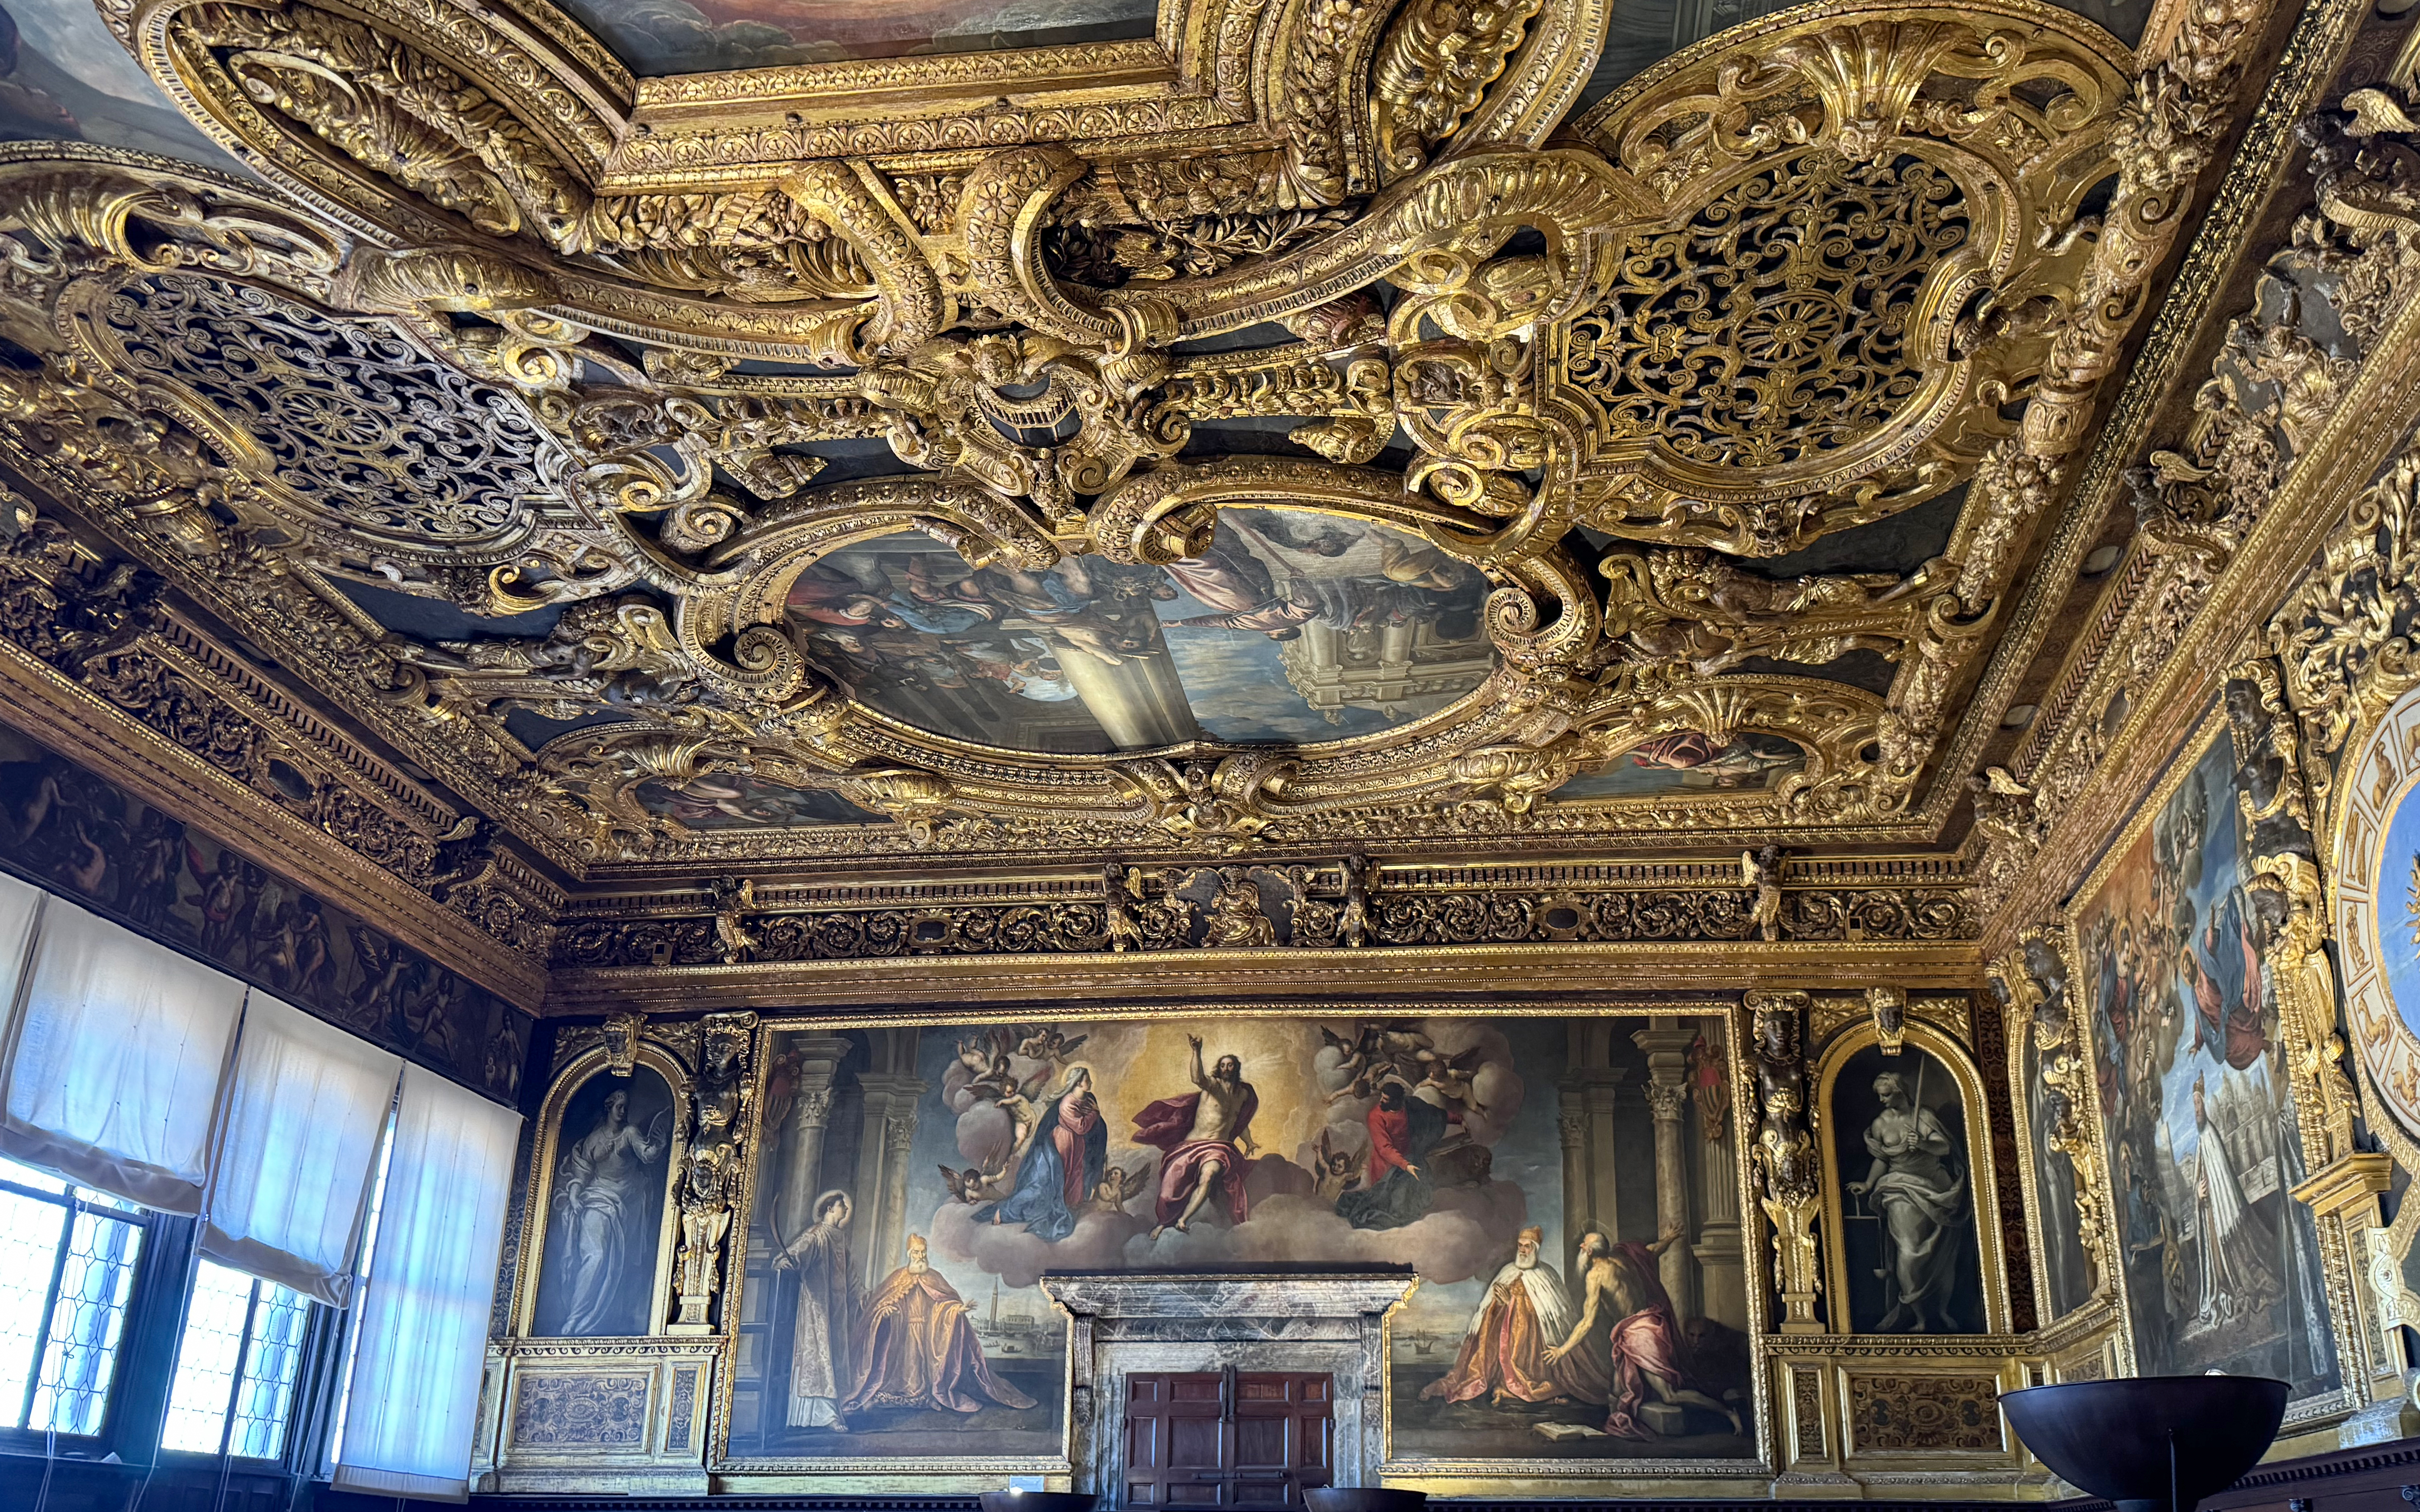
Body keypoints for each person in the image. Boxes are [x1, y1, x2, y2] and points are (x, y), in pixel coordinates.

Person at [1547, 1229, 1740, 1438]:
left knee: (1669, 1396)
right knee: (1617, 1389)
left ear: (1591, 1253)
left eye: (1584, 1245)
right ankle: (1614, 1432)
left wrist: (1562, 1350)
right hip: (1642, 1325)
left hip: (1641, 1334)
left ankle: (1728, 1412)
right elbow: (1652, 1250)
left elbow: (1587, 1322)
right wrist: (1669, 1238)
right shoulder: (1625, 1257)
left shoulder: (1595, 1276)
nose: (1581, 1247)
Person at [844, 1235, 1037, 1414]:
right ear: (910, 1254)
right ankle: (899, 1396)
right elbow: (882, 1303)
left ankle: (927, 1395)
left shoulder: (933, 1277)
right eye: (917, 1252)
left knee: (922, 1366)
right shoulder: (898, 1278)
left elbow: (943, 1304)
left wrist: (957, 1310)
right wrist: (885, 1312)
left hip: (929, 1331)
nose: (921, 1256)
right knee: (904, 1367)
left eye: (923, 1252)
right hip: (901, 1332)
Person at [1847, 1069, 1970, 1332]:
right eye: (1880, 1096)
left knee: (1941, 1256)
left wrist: (1925, 1145)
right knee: (1910, 1251)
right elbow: (1882, 1158)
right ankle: (1918, 1315)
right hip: (1900, 1187)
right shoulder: (1881, 1124)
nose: (1882, 1101)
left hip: (1937, 1188)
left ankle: (1942, 1311)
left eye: (1887, 1095)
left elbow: (1944, 1148)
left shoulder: (1923, 1116)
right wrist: (1868, 1184)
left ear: (1901, 1092)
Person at [550, 1086, 671, 1335]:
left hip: (623, 1203)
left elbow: (647, 1155)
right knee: (595, 1256)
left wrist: (659, 1143)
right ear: (609, 1108)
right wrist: (574, 1195)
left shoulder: (629, 1133)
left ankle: (588, 1320)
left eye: (626, 1107)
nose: (624, 1111)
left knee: (611, 1261)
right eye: (619, 1107)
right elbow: (582, 1171)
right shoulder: (595, 1139)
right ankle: (576, 1316)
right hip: (595, 1199)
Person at [1422, 1226, 1574, 1405]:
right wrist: (1502, 1304)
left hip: (1534, 1344)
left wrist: (1513, 1303)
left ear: (1536, 1249)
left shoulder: (1547, 1276)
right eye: (1520, 1246)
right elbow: (1490, 1315)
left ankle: (1517, 1387)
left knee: (1524, 1342)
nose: (1523, 1251)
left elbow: (1543, 1316)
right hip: (1505, 1336)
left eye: (1528, 1246)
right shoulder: (1508, 1271)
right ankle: (1505, 1385)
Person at [1134, 1036, 1259, 1238]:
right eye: (1224, 1065)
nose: (1227, 1068)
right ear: (1220, 1068)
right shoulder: (1213, 1086)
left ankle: (1183, 1221)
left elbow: (1239, 1122)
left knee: (1208, 1176)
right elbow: (1197, 1078)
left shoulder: (1243, 1095)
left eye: (1231, 1065)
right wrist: (1197, 1052)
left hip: (1219, 1148)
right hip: (1192, 1145)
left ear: (1237, 1068)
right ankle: (1164, 1223)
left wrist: (1249, 1141)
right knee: (1168, 1193)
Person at [972, 1066, 1107, 1242]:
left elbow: (1092, 1128)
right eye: (1087, 1080)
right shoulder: (1067, 1103)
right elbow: (1080, 1127)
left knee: (1073, 1177)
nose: (1090, 1082)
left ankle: (1068, 1206)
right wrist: (1094, 1114)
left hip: (1077, 1146)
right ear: (1078, 1083)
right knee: (1046, 1187)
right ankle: (1005, 1212)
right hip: (1062, 1144)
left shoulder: (1088, 1100)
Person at [2191, 1074, 2279, 1321]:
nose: (2197, 1111)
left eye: (2199, 1106)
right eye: (2195, 1107)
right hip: (2210, 1213)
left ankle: (2242, 1283)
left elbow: (2224, 1175)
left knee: (2244, 1258)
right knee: (2218, 1262)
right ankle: (2225, 1287)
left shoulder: (2212, 1135)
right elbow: (2197, 1182)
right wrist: (2198, 1195)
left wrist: (2222, 1199)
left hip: (2225, 1211)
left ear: (2206, 1107)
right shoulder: (2200, 1144)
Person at [774, 1191, 859, 1429]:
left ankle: (833, 1411)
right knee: (820, 1356)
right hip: (817, 1307)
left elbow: (850, 1275)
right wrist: (788, 1263)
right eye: (842, 1205)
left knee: (835, 1355)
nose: (846, 1209)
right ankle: (824, 1415)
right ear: (830, 1209)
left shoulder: (839, 1238)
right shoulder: (816, 1235)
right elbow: (791, 1257)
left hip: (836, 1309)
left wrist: (862, 1295)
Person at [1335, 1080, 1455, 1231]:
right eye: (1382, 1097)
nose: (1381, 1101)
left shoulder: (1410, 1106)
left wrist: (1459, 1120)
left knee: (1409, 1198)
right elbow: (1385, 1148)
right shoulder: (1376, 1116)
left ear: (1398, 1101)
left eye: (1385, 1099)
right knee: (1385, 1201)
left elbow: (1436, 1114)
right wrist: (1405, 1165)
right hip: (1386, 1165)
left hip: (1409, 1160)